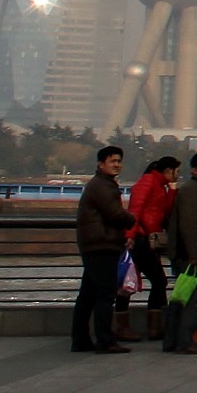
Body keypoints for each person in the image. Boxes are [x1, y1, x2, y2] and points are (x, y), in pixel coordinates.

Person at [72, 145, 135, 354]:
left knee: (88, 294)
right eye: (112, 161)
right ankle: (105, 340)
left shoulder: (100, 184)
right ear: (101, 164)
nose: (117, 165)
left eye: (118, 161)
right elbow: (115, 214)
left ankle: (80, 340)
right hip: (102, 245)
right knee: (105, 294)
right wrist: (132, 219)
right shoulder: (103, 186)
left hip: (94, 244)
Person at [163, 151, 197, 354]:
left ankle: (171, 341)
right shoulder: (192, 191)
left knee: (181, 298)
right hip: (189, 255)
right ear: (195, 170)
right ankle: (185, 341)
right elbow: (188, 224)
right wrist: (195, 254)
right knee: (193, 300)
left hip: (188, 253)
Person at [124, 156, 180, 342]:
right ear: (168, 170)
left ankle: (130, 325)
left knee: (131, 281)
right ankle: (153, 327)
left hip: (148, 239)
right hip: (141, 239)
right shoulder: (148, 183)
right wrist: (130, 236)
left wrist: (172, 190)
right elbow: (135, 210)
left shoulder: (160, 185)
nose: (177, 175)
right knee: (155, 280)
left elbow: (166, 211)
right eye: (175, 171)